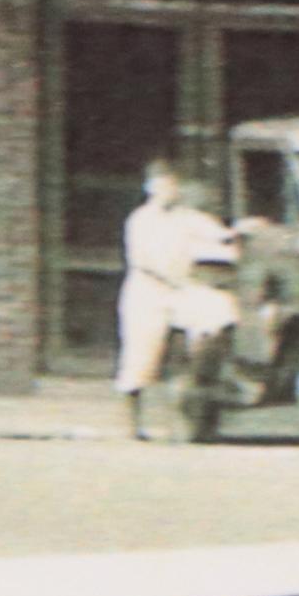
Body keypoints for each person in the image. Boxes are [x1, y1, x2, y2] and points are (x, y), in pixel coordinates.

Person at [114, 160, 238, 436]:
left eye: (172, 184)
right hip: (148, 289)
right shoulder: (140, 220)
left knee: (212, 320)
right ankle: (133, 424)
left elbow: (222, 238)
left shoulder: (189, 218)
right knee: (141, 353)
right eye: (161, 184)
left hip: (182, 288)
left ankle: (194, 402)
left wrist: (240, 233)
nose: (167, 190)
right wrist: (172, 280)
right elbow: (143, 259)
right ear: (150, 187)